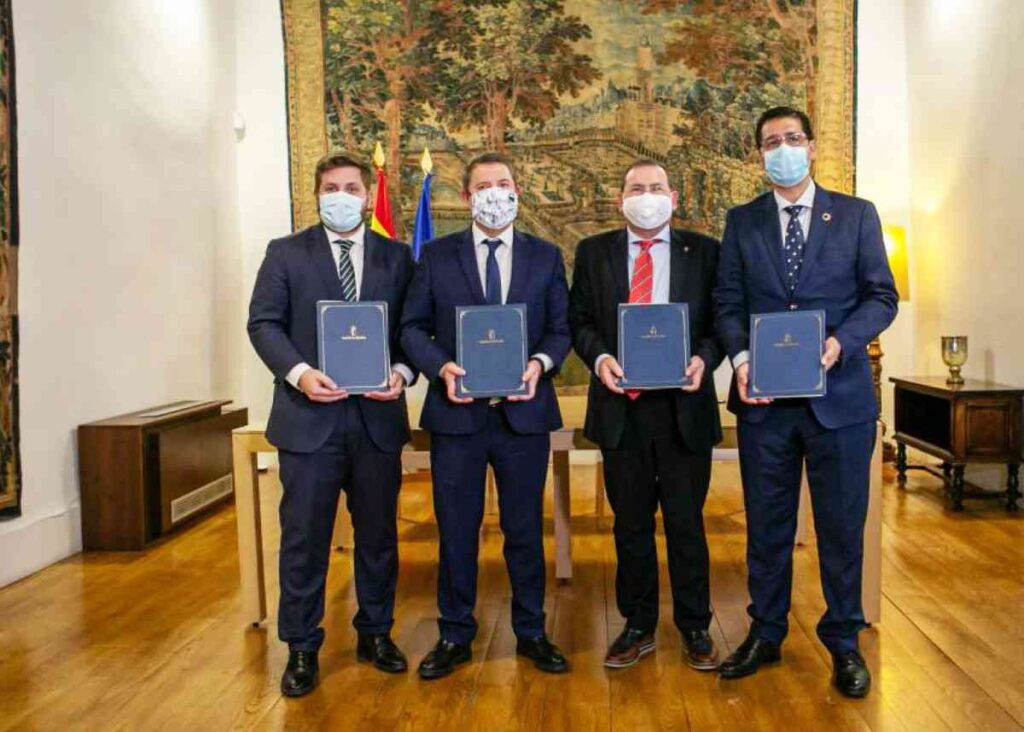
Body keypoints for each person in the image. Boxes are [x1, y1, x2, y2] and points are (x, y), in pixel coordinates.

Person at [714, 107, 898, 697]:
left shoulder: (856, 215)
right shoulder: (742, 222)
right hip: (764, 405)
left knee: (841, 529)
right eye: (771, 142)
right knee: (767, 529)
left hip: (839, 403)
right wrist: (743, 360)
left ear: (812, 147)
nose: (783, 149)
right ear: (759, 155)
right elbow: (727, 304)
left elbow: (882, 297)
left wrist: (841, 343)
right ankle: (766, 633)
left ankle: (843, 641)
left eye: (792, 138)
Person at [247, 153, 417, 696]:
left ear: (368, 196)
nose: (340, 196)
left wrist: (402, 371)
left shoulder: (397, 257)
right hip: (307, 420)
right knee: (304, 538)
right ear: (317, 195)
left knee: (378, 537)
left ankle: (376, 633)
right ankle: (301, 647)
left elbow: (413, 329)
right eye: (330, 188)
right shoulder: (285, 253)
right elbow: (264, 324)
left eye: (351, 187)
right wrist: (300, 374)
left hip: (376, 420)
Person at [400, 152, 572, 679]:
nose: (495, 193)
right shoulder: (436, 255)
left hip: (524, 416)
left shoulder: (545, 256)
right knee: (456, 530)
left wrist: (539, 365)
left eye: (504, 183)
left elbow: (560, 330)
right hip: (457, 418)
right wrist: (440, 367)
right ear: (466, 197)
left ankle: (531, 631)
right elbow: (411, 328)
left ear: (517, 190)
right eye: (483, 186)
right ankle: (454, 634)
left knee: (525, 530)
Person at [569, 160, 724, 671]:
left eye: (657, 187)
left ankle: (695, 624)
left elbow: (721, 322)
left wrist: (704, 358)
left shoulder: (705, 252)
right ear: (621, 200)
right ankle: (637, 624)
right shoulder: (594, 253)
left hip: (684, 408)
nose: (647, 195)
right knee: (630, 524)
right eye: (637, 188)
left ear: (673, 198)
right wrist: (599, 358)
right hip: (622, 407)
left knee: (686, 523)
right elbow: (579, 320)